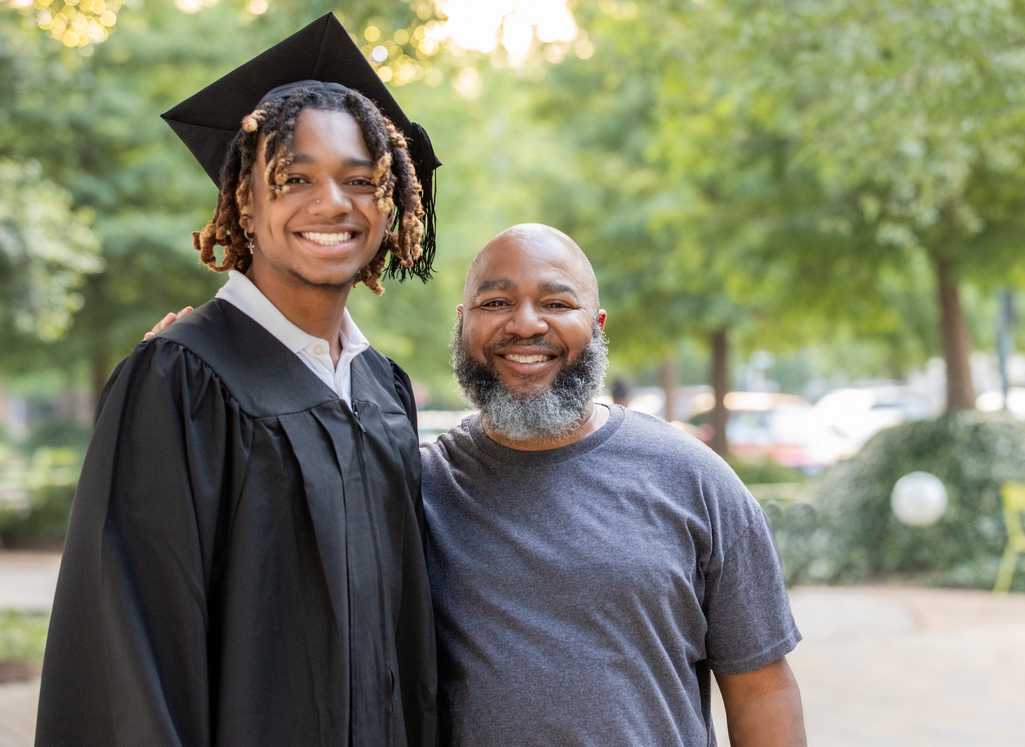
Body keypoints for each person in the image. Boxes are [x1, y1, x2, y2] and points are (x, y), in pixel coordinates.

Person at [36, 14, 439, 746]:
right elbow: (132, 656)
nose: (332, 204)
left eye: (359, 180)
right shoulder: (181, 380)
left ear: (390, 206)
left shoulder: (384, 390)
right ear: (244, 201)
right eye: (295, 177)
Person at [425, 223, 806, 745]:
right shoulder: (421, 490)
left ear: (598, 326)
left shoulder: (695, 480)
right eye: (496, 303)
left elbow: (761, 689)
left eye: (557, 304)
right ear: (463, 324)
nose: (526, 324)